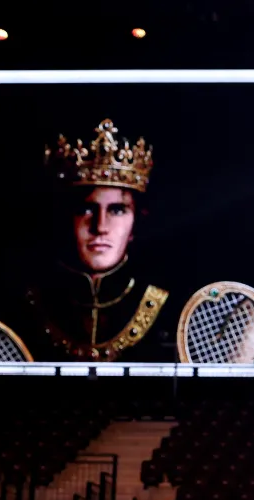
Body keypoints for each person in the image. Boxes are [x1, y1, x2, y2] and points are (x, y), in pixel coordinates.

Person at [22, 119, 179, 361]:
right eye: (86, 210)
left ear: (135, 222)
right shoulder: (27, 307)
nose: (100, 227)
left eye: (117, 210)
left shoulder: (170, 312)